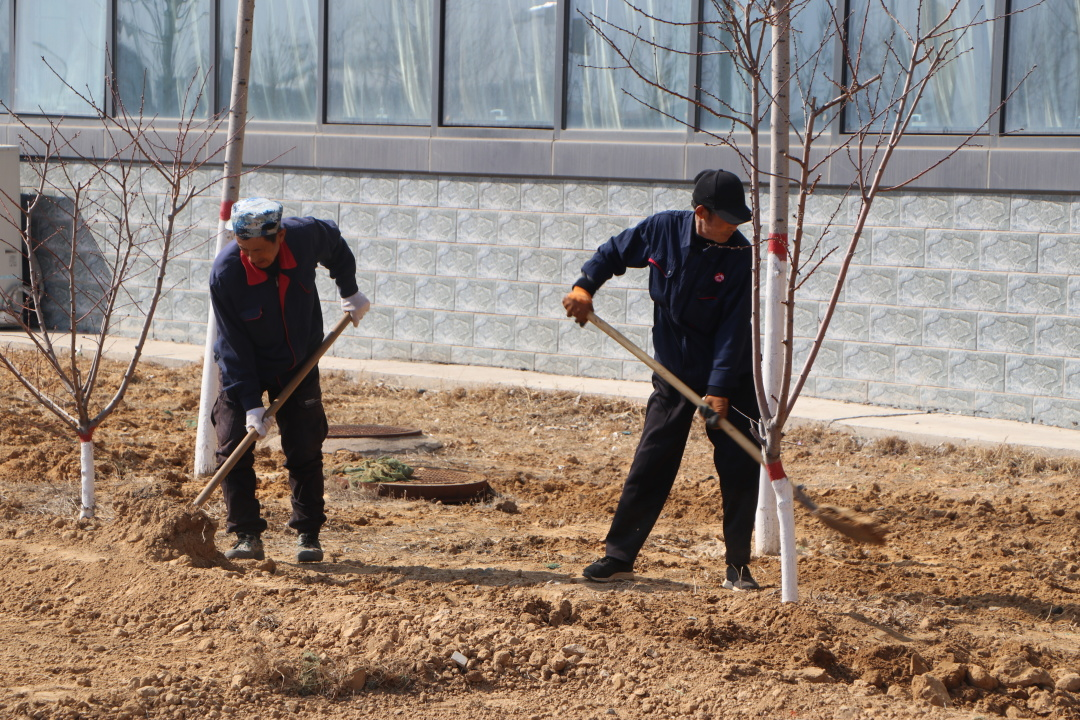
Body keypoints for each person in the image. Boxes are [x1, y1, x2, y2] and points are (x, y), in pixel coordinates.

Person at [562, 169, 761, 591]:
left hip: (731, 376)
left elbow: (734, 328)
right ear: (701, 212)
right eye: (725, 219)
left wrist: (721, 389)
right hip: (674, 371)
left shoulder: (740, 257)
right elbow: (614, 253)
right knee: (652, 459)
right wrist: (584, 287)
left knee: (740, 466)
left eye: (738, 219)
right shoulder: (663, 230)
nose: (734, 227)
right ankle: (619, 557)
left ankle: (738, 567)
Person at [209, 198, 369, 562]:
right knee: (232, 449)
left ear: (280, 236)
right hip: (243, 368)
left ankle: (308, 534)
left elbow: (336, 247)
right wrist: (251, 403)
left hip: (299, 361)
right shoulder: (226, 273)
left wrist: (349, 290)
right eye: (244, 249)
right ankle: (247, 534)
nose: (253, 257)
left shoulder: (305, 235)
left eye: (260, 250)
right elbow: (232, 344)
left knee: (305, 448)